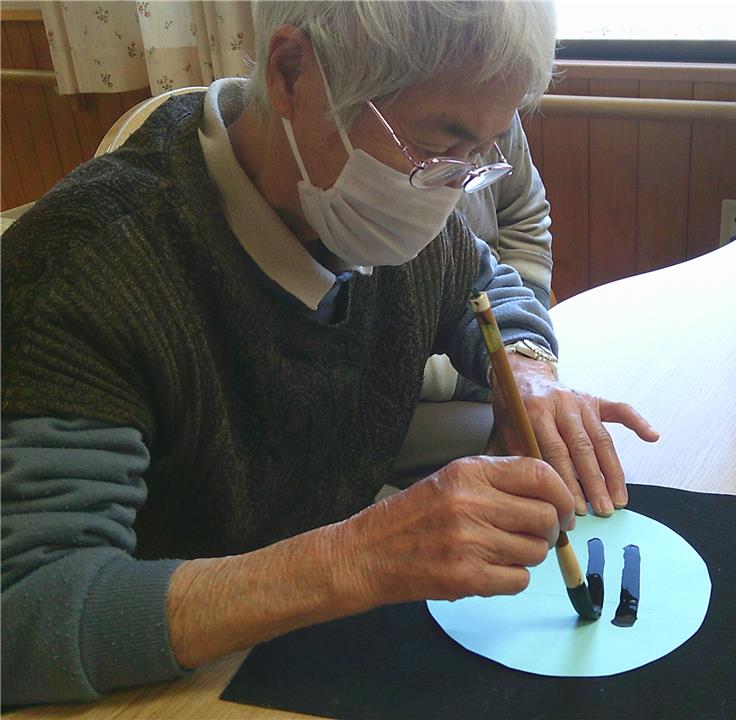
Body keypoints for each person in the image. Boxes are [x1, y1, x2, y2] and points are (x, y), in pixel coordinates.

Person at [1, 1, 658, 705]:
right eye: (441, 142)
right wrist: (358, 556)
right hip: (167, 689)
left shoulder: (389, 208)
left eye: (482, 151)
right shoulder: (86, 269)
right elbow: (24, 613)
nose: (452, 187)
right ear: (292, 74)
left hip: (310, 646)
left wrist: (525, 370)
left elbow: (485, 284)